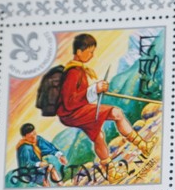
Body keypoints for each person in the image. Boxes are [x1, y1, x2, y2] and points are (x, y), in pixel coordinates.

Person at [56, 33, 152, 163]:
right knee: (116, 113)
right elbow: (69, 102)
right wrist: (95, 89)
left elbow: (77, 96)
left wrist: (96, 90)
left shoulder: (77, 70)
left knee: (98, 136)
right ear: (79, 52)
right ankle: (143, 145)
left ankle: (110, 169)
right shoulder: (73, 72)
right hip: (72, 113)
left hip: (73, 113)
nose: (92, 55)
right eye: (90, 52)